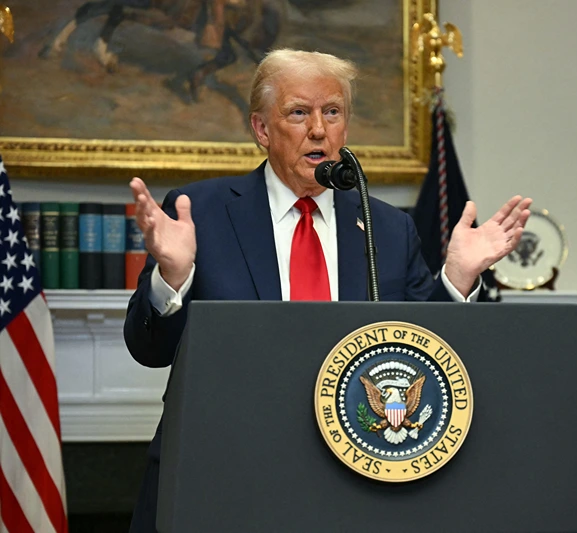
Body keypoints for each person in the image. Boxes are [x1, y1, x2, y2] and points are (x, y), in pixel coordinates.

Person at [124, 48, 531, 533]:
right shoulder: (203, 213)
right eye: (299, 112)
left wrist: (458, 278)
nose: (319, 129)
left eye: (332, 112)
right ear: (262, 130)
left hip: (352, 487)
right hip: (223, 479)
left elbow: (424, 350)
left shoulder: (388, 227)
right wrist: (172, 277)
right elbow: (150, 350)